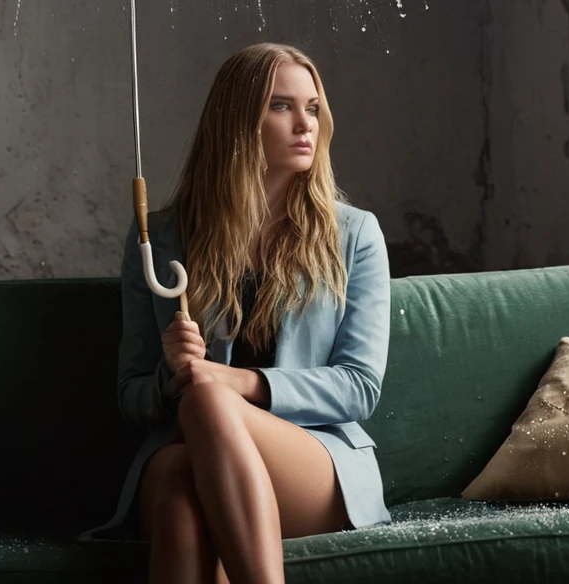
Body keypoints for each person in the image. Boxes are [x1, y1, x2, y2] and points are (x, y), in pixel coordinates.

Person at [82, 42, 392, 584]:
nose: (304, 125)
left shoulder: (354, 234)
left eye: (313, 108)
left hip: (311, 461)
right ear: (237, 121)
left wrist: (236, 383)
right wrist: (171, 373)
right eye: (281, 106)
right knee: (181, 482)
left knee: (208, 401)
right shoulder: (164, 237)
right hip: (186, 457)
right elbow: (132, 398)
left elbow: (359, 387)